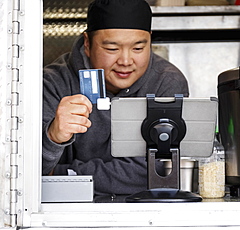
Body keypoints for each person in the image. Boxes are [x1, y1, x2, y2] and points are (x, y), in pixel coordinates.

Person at [42, 0, 189, 195]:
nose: (126, 61)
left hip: (147, 212)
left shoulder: (166, 82)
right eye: (112, 49)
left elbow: (161, 171)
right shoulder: (53, 83)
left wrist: (63, 174)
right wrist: (52, 137)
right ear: (87, 43)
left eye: (138, 48)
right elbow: (26, 174)